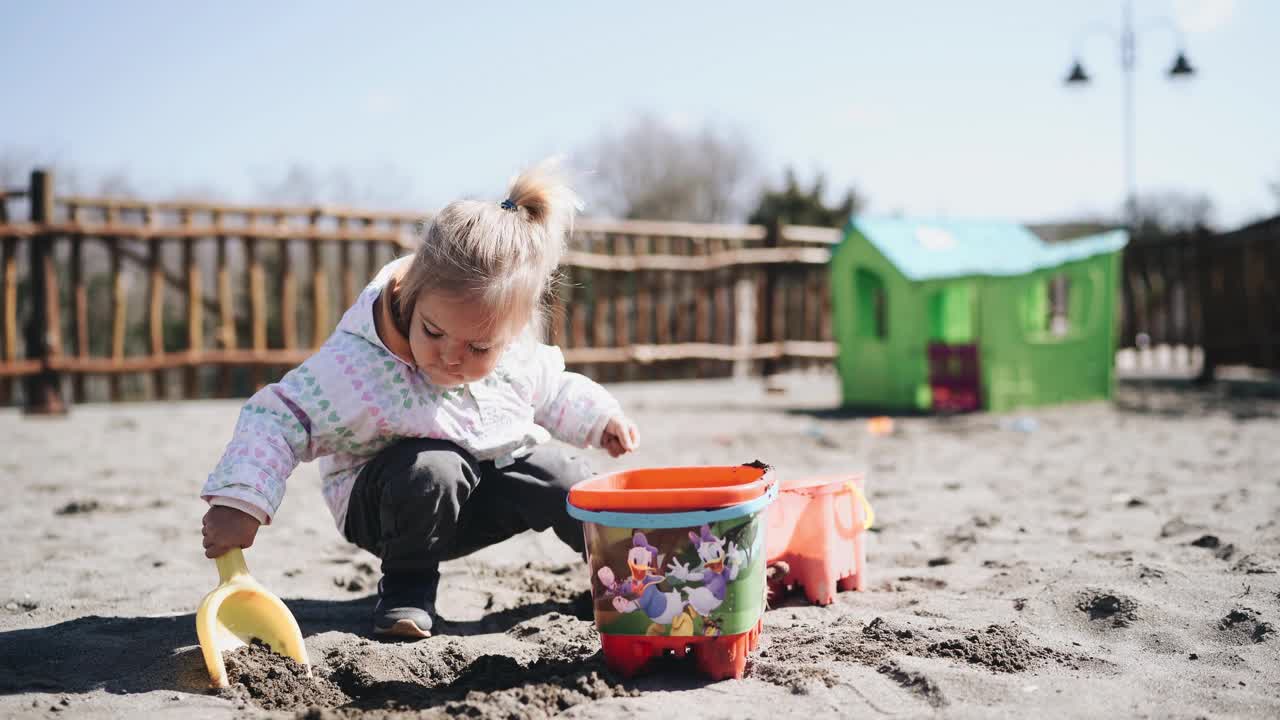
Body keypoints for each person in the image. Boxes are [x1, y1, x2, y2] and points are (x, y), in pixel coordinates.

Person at [199, 160, 640, 639]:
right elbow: (280, 417)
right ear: (410, 293)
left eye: (479, 348)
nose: (451, 357)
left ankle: (625, 579)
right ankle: (407, 591)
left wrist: (601, 418)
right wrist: (240, 500)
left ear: (512, 332)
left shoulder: (512, 345)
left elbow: (552, 388)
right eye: (433, 331)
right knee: (434, 465)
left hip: (474, 495)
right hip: (388, 503)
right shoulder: (358, 367)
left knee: (563, 476)